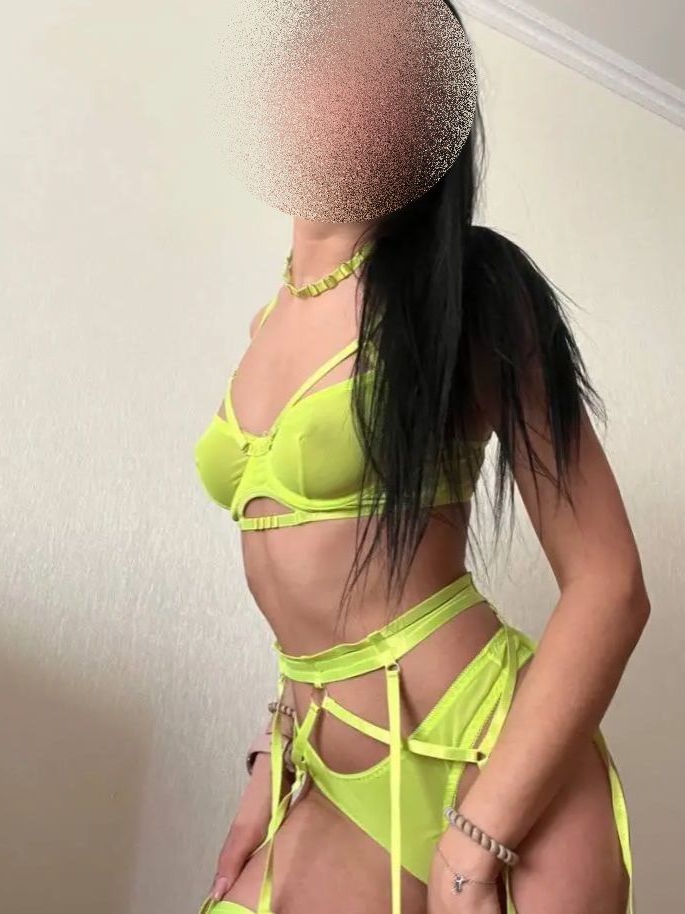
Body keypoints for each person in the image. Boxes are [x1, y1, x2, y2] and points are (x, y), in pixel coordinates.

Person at [193, 12, 649, 914]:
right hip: (331, 762)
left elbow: (610, 585)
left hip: (494, 765)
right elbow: (310, 599)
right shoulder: (263, 326)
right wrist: (273, 753)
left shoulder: (468, 289)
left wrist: (476, 842)